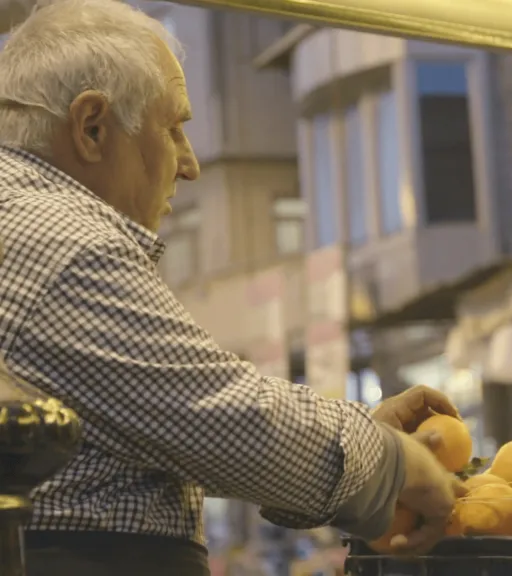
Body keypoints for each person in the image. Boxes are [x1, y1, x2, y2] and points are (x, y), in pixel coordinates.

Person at [0, 1, 462, 575]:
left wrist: (363, 434)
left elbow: (168, 428)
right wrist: (397, 464)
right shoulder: (57, 240)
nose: (188, 164)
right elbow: (225, 416)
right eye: (172, 129)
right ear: (92, 128)